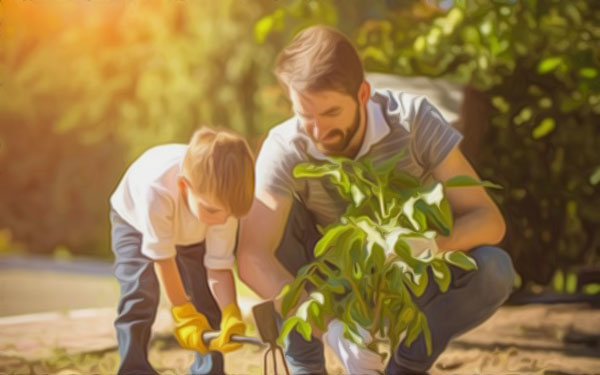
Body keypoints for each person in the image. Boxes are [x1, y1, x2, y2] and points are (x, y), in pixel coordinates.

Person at [237, 25, 516, 375]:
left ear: (363, 93)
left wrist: (426, 245)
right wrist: (332, 329)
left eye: (331, 113)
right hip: (331, 287)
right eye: (305, 115)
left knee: (495, 269)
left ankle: (407, 366)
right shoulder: (285, 146)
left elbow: (488, 219)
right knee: (273, 214)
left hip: (405, 282)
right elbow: (252, 254)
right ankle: (305, 365)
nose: (318, 132)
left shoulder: (413, 122)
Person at [109, 127, 255, 375]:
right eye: (212, 210)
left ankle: (208, 370)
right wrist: (183, 313)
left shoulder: (221, 206)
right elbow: (163, 260)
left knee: (204, 298)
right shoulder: (157, 191)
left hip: (192, 231)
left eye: (227, 214)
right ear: (183, 186)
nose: (221, 221)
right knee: (139, 293)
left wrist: (231, 310)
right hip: (134, 221)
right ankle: (134, 369)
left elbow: (218, 267)